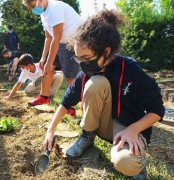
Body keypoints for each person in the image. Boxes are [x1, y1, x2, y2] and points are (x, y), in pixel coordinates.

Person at [42, 10, 165, 179]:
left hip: (128, 128)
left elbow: (157, 110)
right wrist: (50, 130)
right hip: (102, 126)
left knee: (127, 164)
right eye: (79, 59)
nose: (83, 64)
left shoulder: (131, 69)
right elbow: (66, 102)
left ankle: (136, 161)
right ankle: (87, 136)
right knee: (96, 82)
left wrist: (132, 130)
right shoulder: (87, 73)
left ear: (106, 52)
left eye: (86, 58)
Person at [23, 0, 83, 106]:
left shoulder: (55, 8)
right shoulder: (43, 14)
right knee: (46, 67)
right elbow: (48, 37)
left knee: (71, 76)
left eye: (33, 6)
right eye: (31, 8)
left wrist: (49, 62)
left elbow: (56, 37)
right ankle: (44, 97)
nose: (33, 10)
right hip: (60, 41)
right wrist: (43, 58)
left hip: (74, 42)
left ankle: (70, 107)